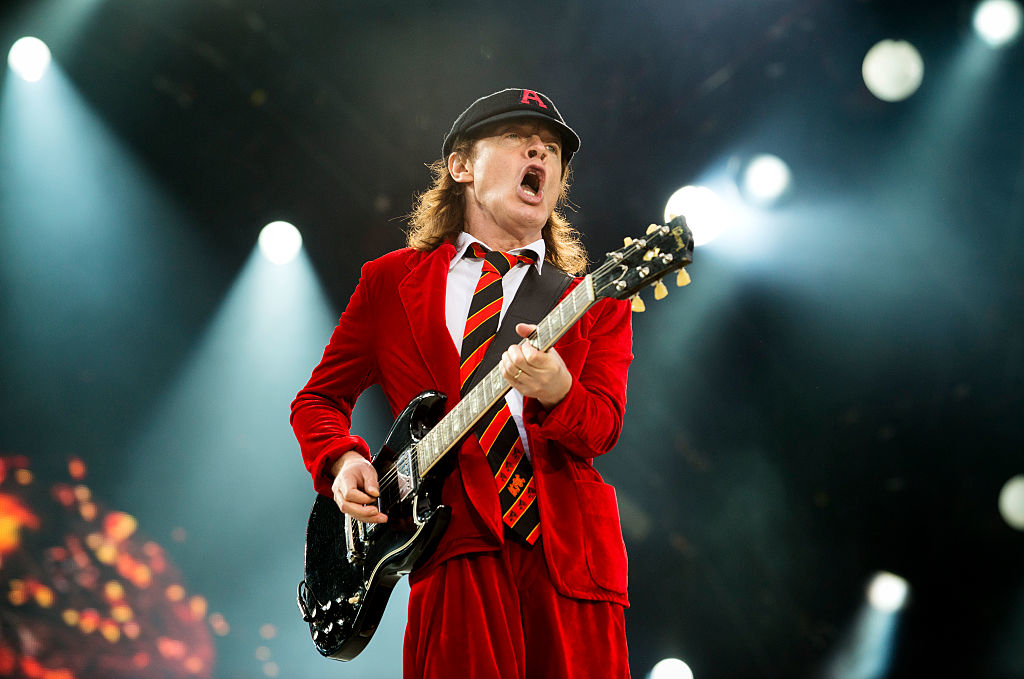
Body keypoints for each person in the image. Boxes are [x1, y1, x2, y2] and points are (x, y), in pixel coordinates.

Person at [291, 87, 633, 678]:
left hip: (570, 561)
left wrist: (559, 392)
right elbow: (319, 399)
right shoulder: (390, 282)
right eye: (517, 139)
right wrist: (343, 462)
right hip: (451, 550)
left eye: (551, 150)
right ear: (461, 166)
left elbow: (602, 428)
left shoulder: (590, 299)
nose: (541, 154)